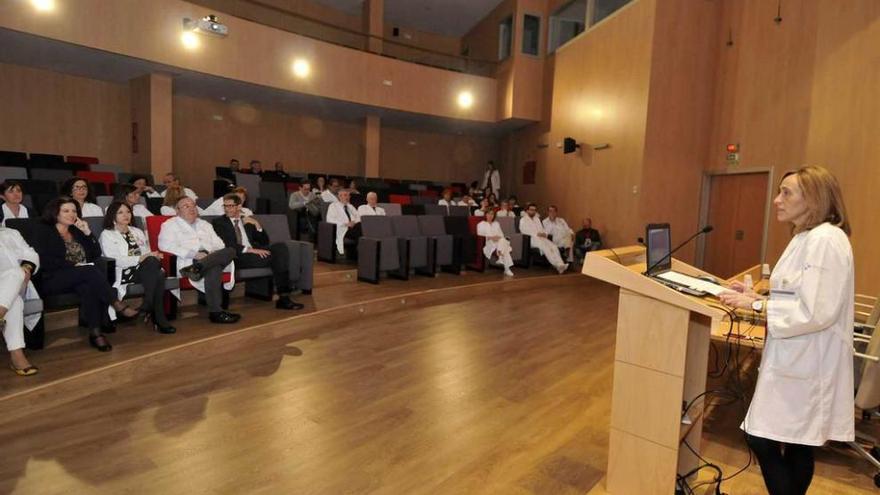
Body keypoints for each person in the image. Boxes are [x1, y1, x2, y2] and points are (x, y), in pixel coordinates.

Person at [718, 166, 854, 495]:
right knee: (796, 445)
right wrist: (756, 297)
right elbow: (798, 294)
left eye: (786, 193)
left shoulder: (824, 240)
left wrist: (756, 307)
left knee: (760, 437)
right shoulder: (805, 237)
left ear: (814, 199)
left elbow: (817, 311)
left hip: (809, 361)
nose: (777, 200)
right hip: (798, 357)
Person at [32, 197, 140, 352]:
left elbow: (96, 254)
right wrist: (73, 266)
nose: (71, 214)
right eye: (66, 211)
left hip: (81, 276)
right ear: (55, 213)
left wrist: (87, 232)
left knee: (87, 286)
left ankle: (96, 334)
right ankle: (117, 303)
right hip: (52, 278)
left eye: (74, 211)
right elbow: (43, 259)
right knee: (88, 272)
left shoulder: (76, 230)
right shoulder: (43, 230)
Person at [212, 193, 305, 311]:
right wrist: (251, 250)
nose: (227, 209)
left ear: (239, 207)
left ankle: (283, 297)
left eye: (231, 206)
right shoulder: (219, 222)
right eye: (225, 206)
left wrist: (257, 225)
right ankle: (284, 298)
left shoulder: (247, 221)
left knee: (280, 248)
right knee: (276, 259)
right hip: (236, 255)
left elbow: (264, 241)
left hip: (254, 253)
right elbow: (227, 244)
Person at [158, 197, 239, 324]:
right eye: (186, 206)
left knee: (231, 250)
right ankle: (216, 313)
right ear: (177, 211)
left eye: (193, 205)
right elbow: (165, 246)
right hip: (189, 259)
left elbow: (220, 244)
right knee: (214, 266)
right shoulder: (169, 225)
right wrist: (195, 254)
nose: (191, 208)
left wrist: (210, 253)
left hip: (208, 258)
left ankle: (198, 268)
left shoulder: (205, 224)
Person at [100, 201, 175, 334]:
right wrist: (141, 258)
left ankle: (148, 305)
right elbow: (115, 260)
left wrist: (153, 256)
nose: (126, 215)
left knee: (154, 265)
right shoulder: (107, 234)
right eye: (121, 212)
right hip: (124, 272)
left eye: (128, 212)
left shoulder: (137, 231)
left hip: (144, 269)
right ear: (112, 216)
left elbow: (147, 253)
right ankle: (157, 316)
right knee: (158, 274)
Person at [0, 225, 40, 375]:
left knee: (16, 273)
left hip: (17, 282)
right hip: (9, 291)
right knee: (14, 302)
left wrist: (27, 269)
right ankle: (17, 356)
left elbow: (30, 253)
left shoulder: (11, 233)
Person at [519, 203, 569, 274]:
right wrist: (537, 234)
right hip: (531, 239)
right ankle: (557, 265)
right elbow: (524, 231)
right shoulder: (523, 220)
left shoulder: (537, 219)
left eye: (534, 210)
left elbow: (542, 229)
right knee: (545, 247)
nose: (533, 211)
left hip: (541, 238)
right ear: (527, 210)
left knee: (553, 246)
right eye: (531, 210)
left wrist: (544, 234)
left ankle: (561, 264)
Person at [477, 209, 514, 277]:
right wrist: (491, 238)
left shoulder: (496, 224)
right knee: (505, 247)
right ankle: (507, 268)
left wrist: (498, 238)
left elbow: (501, 234)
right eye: (489, 214)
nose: (490, 216)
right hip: (488, 243)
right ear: (485, 214)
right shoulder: (481, 224)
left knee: (503, 240)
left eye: (492, 214)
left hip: (499, 242)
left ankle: (501, 257)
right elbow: (479, 236)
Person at [326, 189, 360, 256]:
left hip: (353, 227)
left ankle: (359, 252)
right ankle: (360, 253)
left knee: (361, 228)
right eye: (345, 195)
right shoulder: (333, 206)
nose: (347, 197)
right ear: (340, 196)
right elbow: (330, 220)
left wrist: (353, 222)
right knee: (360, 231)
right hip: (342, 229)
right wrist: (345, 223)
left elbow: (358, 217)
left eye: (348, 195)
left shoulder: (351, 206)